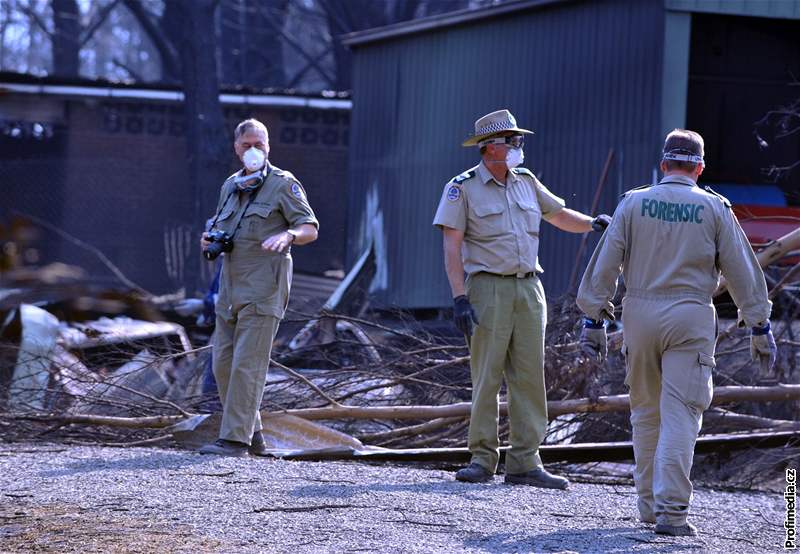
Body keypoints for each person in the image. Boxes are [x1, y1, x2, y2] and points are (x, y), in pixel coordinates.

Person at [576, 129, 776, 536]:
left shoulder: (632, 204)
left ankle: (648, 506)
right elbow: (742, 270)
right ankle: (671, 513)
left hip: (640, 315)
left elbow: (605, 264)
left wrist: (593, 318)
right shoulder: (715, 208)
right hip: (690, 315)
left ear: (664, 164)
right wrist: (759, 324)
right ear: (700, 168)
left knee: (645, 414)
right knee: (681, 414)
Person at [433, 109, 611, 487]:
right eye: (512, 141)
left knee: (530, 375)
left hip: (530, 287)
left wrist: (593, 224)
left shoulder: (526, 182)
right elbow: (452, 249)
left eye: (519, 140)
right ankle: (482, 458)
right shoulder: (462, 188)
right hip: (487, 287)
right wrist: (459, 297)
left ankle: (525, 461)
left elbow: (558, 214)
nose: (519, 147)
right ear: (489, 148)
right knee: (487, 374)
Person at [198, 118, 319, 456]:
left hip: (265, 285)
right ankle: (255, 436)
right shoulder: (230, 186)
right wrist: (208, 240)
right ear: (236, 149)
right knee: (222, 362)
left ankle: (234, 440)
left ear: (269, 146)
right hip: (231, 285)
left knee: (247, 364)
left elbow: (310, 227)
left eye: (259, 144)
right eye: (246, 145)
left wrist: (289, 235)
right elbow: (221, 228)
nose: (253, 150)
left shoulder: (284, 184)